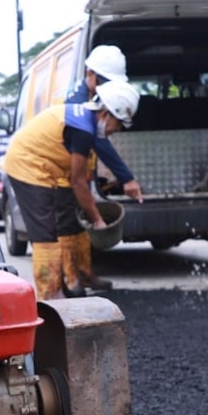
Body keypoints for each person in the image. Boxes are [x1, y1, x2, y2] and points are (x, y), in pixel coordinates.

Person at [2, 80, 141, 300]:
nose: (116, 130)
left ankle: (69, 283)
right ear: (106, 113)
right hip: (27, 166)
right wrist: (97, 219)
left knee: (61, 228)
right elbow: (78, 181)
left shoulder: (87, 121)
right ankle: (50, 296)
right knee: (45, 234)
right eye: (119, 123)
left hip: (47, 169)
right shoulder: (83, 129)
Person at [62, 44, 140, 292]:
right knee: (68, 223)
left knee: (82, 217)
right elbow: (95, 139)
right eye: (105, 80)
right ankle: (68, 280)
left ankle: (84, 273)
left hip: (79, 164)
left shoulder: (94, 95)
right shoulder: (77, 99)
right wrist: (125, 177)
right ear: (90, 74)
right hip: (61, 167)